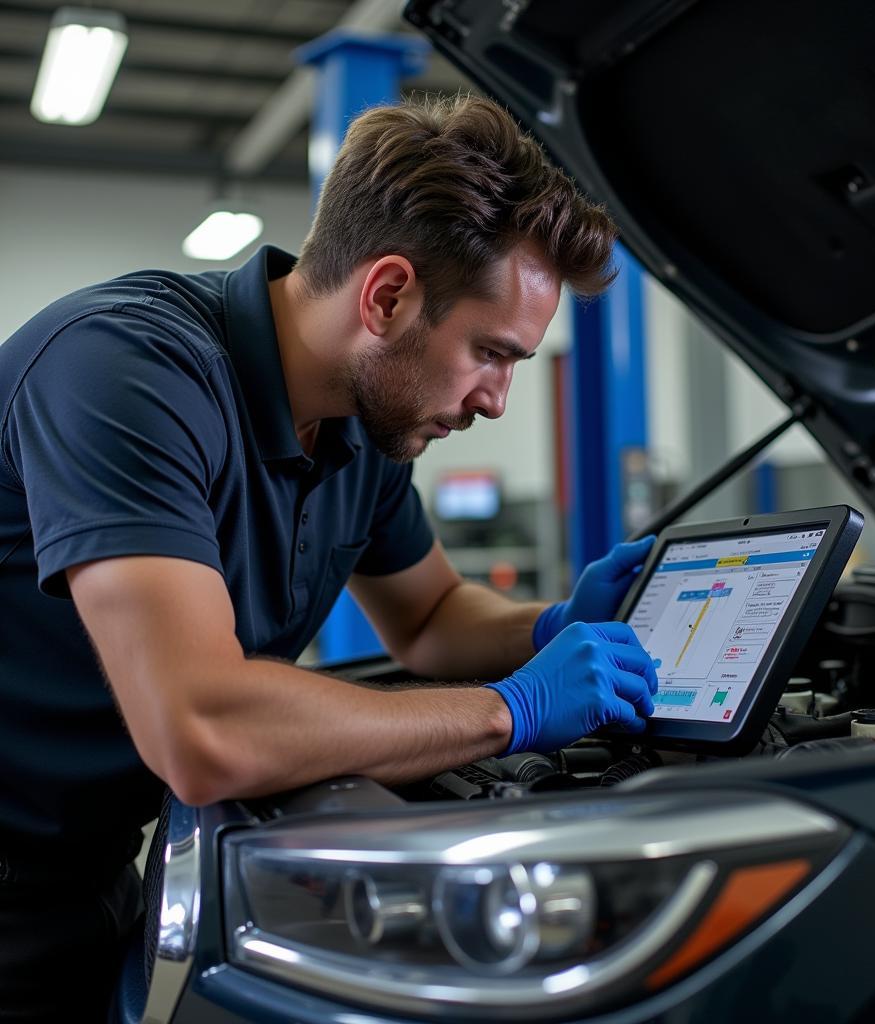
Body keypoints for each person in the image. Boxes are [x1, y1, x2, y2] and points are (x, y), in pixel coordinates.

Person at [0, 95, 658, 1019]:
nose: (497, 401)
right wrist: (511, 712)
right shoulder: (123, 370)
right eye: (490, 353)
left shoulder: (361, 430)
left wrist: (548, 625)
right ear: (387, 296)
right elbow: (203, 727)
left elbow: (429, 620)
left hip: (88, 868)